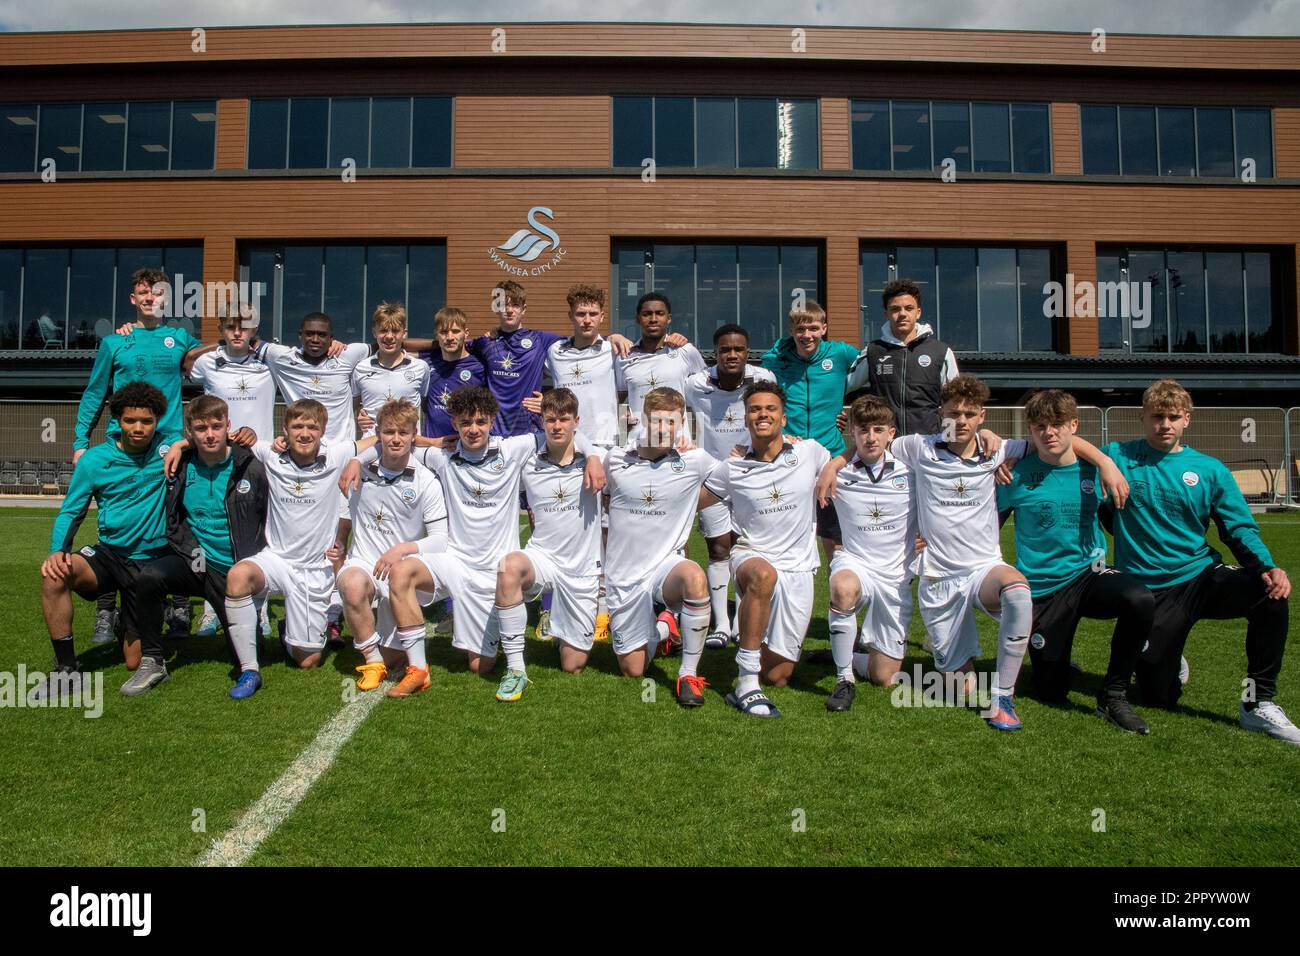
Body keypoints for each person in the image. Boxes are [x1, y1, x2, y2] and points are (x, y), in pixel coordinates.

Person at [818, 374, 1127, 731]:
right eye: (953, 413)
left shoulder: (999, 449)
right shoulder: (918, 448)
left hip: (983, 569)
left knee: (1017, 589)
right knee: (954, 688)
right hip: (939, 579)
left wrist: (1105, 462)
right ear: (940, 415)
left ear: (982, 416)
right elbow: (867, 439)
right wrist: (834, 463)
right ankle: (858, 660)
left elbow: (1056, 444)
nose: (960, 421)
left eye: (968, 414)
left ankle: (1003, 698)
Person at [1100, 379, 1298, 744]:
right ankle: (1169, 659)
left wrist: (1267, 567)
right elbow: (1067, 450)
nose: (1165, 425)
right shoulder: (1117, 456)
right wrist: (1007, 448)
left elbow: (1238, 528)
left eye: (1174, 417)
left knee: (1269, 593)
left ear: (1187, 420)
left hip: (1200, 576)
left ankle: (1257, 703)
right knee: (1159, 698)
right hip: (1149, 594)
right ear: (1143, 418)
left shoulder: (1209, 469)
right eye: (1157, 416)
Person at [368, 387, 603, 694]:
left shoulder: (512, 449)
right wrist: (359, 459)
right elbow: (395, 444)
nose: (473, 429)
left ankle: (515, 632)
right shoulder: (443, 455)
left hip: (494, 573)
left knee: (481, 667)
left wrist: (595, 456)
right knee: (401, 572)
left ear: (492, 420)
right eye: (466, 422)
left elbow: (563, 432)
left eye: (480, 421)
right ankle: (418, 669)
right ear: (455, 424)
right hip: (455, 563)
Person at [996, 389, 1151, 734]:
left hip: (1089, 575)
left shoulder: (1097, 470)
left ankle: (1113, 694)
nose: (1049, 432)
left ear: (1074, 426)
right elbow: (987, 529)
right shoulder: (1014, 475)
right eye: (1039, 426)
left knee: (1138, 598)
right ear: (1030, 431)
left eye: (1057, 425)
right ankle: (1059, 664)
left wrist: (1106, 463)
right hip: (1044, 588)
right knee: (1051, 690)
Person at [207, 399, 377, 698]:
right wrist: (178, 446)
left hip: (314, 569)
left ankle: (292, 629)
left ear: (323, 431)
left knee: (308, 660)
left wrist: (356, 460)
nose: (305, 433)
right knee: (238, 576)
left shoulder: (336, 454)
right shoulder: (270, 455)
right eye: (297, 426)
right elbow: (219, 437)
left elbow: (384, 438)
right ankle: (249, 670)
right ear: (284, 429)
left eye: (312, 427)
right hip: (277, 559)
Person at [79, 267, 208, 644]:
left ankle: (179, 605)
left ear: (167, 299)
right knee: (117, 518)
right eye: (143, 294)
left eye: (158, 294)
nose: (151, 299)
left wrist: (236, 341)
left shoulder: (179, 338)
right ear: (134, 300)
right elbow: (94, 393)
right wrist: (78, 442)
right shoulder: (115, 342)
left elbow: (212, 357)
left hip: (168, 445)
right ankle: (107, 607)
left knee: (176, 518)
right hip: (123, 444)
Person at [697, 382, 829, 717]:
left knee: (779, 676)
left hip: (799, 568)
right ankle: (745, 683)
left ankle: (760, 652)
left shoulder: (810, 452)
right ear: (746, 417)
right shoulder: (732, 467)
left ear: (783, 418)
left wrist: (836, 466)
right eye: (755, 409)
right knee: (762, 574)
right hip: (751, 556)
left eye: (770, 409)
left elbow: (849, 459)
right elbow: (693, 502)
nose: (762, 415)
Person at [39, 382, 175, 699]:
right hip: (108, 555)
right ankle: (66, 669)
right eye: (130, 420)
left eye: (146, 421)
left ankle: (124, 622)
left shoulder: (169, 448)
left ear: (158, 420)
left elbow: (205, 439)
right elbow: (71, 511)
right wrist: (57, 551)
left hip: (148, 564)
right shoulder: (95, 460)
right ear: (117, 421)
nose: (138, 428)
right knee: (54, 574)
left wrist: (182, 445)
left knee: (133, 662)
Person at [135, 396, 266, 696]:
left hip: (233, 571)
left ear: (228, 427)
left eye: (217, 426)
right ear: (190, 432)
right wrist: (180, 446)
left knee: (247, 654)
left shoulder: (251, 466)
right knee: (149, 577)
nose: (210, 434)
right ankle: (152, 659)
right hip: (194, 560)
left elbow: (268, 517)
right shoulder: (181, 465)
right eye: (201, 427)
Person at [257, 312, 369, 644]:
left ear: (332, 336)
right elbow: (239, 340)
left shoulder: (351, 353)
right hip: (302, 457)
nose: (316, 339)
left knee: (341, 538)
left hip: (342, 460)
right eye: (310, 334)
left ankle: (333, 615)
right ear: (300, 335)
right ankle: (288, 604)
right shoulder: (283, 356)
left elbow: (391, 342)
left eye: (323, 334)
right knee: (303, 539)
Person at [602, 387, 715, 705]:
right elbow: (605, 499)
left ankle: (687, 675)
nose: (665, 429)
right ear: (644, 421)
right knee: (633, 670)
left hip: (667, 566)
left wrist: (688, 503)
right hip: (625, 576)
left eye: (672, 422)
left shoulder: (695, 460)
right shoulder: (615, 459)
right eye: (658, 421)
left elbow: (733, 482)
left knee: (694, 578)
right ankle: (665, 625)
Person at [493, 388, 603, 699]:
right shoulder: (526, 454)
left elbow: (640, 450)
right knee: (508, 567)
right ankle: (516, 669)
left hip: (581, 569)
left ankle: (563, 630)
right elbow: (483, 440)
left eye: (564, 419)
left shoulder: (597, 458)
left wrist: (592, 453)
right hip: (542, 557)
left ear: (576, 421)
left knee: (573, 665)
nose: (556, 426)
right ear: (542, 420)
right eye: (550, 419)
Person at [333, 400, 447, 693]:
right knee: (351, 583)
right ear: (378, 434)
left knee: (397, 659)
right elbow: (344, 512)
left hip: (400, 573)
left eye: (403, 432)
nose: (396, 439)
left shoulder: (426, 480)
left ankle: (406, 662)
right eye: (389, 432)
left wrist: (402, 550)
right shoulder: (358, 469)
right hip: (365, 563)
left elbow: (440, 539)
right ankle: (372, 662)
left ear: (414, 435)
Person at [818, 395, 917, 712]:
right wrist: (832, 464)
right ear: (853, 434)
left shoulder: (914, 471)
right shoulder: (837, 472)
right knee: (842, 588)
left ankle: (848, 654)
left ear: (892, 433)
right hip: (855, 561)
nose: (870, 437)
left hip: (895, 576)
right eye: (863, 430)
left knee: (884, 677)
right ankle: (843, 678)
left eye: (878, 429)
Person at [682, 323, 775, 648]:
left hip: (753, 477)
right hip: (713, 477)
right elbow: (678, 413)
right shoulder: (696, 384)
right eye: (725, 350)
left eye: (738, 349)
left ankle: (742, 620)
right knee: (719, 547)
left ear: (747, 353)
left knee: (750, 548)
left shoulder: (764, 380)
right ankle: (722, 624)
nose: (731, 355)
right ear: (715, 353)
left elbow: (771, 420)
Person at [187, 311, 276, 639]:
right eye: (230, 327)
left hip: (260, 458)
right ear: (221, 329)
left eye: (245, 327)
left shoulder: (270, 362)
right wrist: (215, 344)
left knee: (258, 535)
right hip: (218, 457)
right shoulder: (208, 362)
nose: (238, 333)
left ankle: (260, 608)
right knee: (219, 532)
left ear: (256, 329)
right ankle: (213, 607)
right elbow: (184, 362)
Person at [760, 298, 858, 558]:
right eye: (800, 329)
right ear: (791, 332)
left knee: (834, 537)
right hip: (790, 457)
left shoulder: (841, 354)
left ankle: (836, 596)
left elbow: (875, 376)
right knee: (785, 533)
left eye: (813, 328)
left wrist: (852, 415)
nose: (807, 335)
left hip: (830, 456)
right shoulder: (777, 359)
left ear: (824, 328)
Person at [845, 277, 959, 435]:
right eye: (895, 309)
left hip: (928, 447)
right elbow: (839, 387)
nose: (902, 314)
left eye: (909, 308)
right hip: (888, 447)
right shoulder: (873, 351)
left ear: (918, 312)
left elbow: (955, 403)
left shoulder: (940, 352)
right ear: (886, 314)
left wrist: (949, 443)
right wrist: (832, 415)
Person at [614, 292, 705, 431]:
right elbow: (616, 401)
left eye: (660, 313)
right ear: (638, 319)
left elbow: (707, 389)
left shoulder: (686, 351)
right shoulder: (624, 357)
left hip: (678, 444)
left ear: (669, 319)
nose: (653, 319)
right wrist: (622, 416)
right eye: (647, 314)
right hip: (639, 443)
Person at [352, 302, 430, 438]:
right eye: (383, 330)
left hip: (408, 447)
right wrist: (360, 413)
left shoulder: (421, 367)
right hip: (371, 447)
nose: (389, 336)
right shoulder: (361, 368)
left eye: (395, 330)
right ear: (374, 332)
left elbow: (427, 408)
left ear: (404, 333)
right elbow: (354, 405)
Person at [418, 307, 487, 440]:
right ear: (436, 335)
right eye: (443, 332)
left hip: (465, 446)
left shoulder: (480, 366)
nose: (450, 337)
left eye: (455, 331)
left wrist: (539, 400)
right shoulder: (426, 364)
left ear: (466, 333)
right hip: (432, 446)